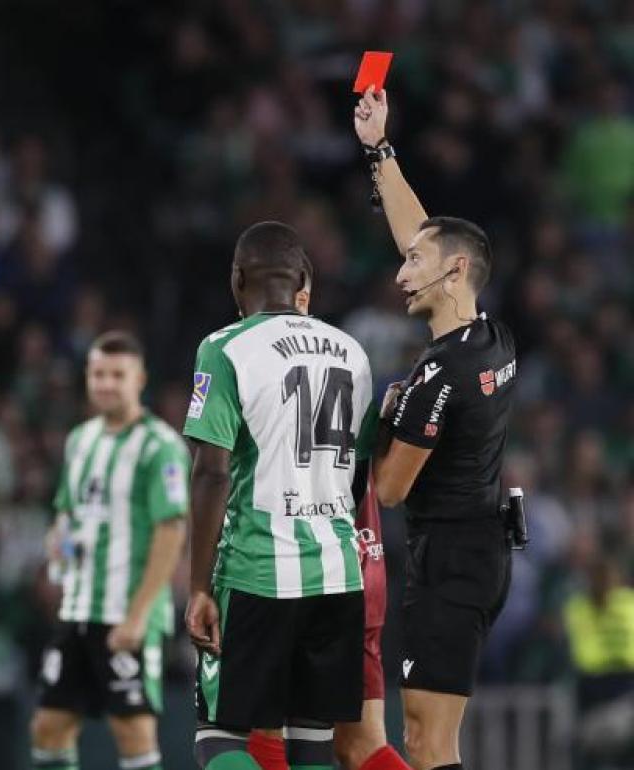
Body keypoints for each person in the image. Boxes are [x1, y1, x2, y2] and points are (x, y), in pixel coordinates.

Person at [355, 88, 518, 770]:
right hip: (479, 549)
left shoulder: (439, 376)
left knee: (425, 742)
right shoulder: (492, 335)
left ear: (456, 271)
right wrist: (379, 149)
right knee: (428, 740)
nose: (401, 272)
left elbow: (390, 490)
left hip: (449, 559)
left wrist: (383, 420)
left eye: (414, 263)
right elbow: (422, 233)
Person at [184, 221, 375, 770]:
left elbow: (212, 472)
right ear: (303, 281)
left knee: (218, 738)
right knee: (311, 744)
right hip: (338, 574)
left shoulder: (225, 348)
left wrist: (198, 588)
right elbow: (358, 473)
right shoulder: (352, 352)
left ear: (237, 279)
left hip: (258, 572)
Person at [247, 280, 411, 770]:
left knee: (261, 730)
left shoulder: (258, 372)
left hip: (299, 565)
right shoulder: (353, 368)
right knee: (359, 745)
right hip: (361, 562)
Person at [30, 331, 190, 770]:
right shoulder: (80, 440)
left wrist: (138, 615)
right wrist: (57, 544)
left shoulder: (160, 446)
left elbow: (171, 531)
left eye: (117, 375)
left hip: (126, 613)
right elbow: (67, 512)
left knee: (133, 731)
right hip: (78, 608)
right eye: (98, 374)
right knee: (49, 725)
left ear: (140, 379)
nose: (106, 384)